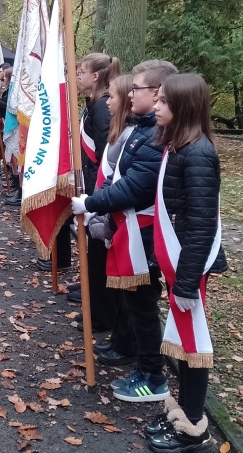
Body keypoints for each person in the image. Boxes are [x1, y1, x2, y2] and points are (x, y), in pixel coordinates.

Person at [72, 62, 179, 400]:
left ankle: (153, 375)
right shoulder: (142, 130)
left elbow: (134, 188)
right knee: (133, 306)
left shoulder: (155, 136)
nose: (131, 94)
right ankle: (142, 365)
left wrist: (91, 204)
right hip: (130, 232)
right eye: (131, 89)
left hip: (144, 238)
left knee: (143, 309)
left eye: (138, 89)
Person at [140, 72, 225, 452]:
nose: (155, 106)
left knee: (193, 347)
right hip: (179, 267)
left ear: (183, 106)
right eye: (155, 99)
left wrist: (187, 281)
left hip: (190, 269)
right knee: (184, 345)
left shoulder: (199, 154)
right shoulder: (178, 147)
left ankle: (194, 427)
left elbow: (201, 225)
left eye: (162, 101)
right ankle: (184, 410)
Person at [73, 52, 122, 335]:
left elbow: (106, 153)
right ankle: (96, 310)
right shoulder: (92, 104)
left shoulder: (103, 107)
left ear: (96, 76)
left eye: (82, 72)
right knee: (94, 256)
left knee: (100, 258)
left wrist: (96, 190)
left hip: (99, 190)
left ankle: (102, 317)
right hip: (91, 187)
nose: (78, 77)